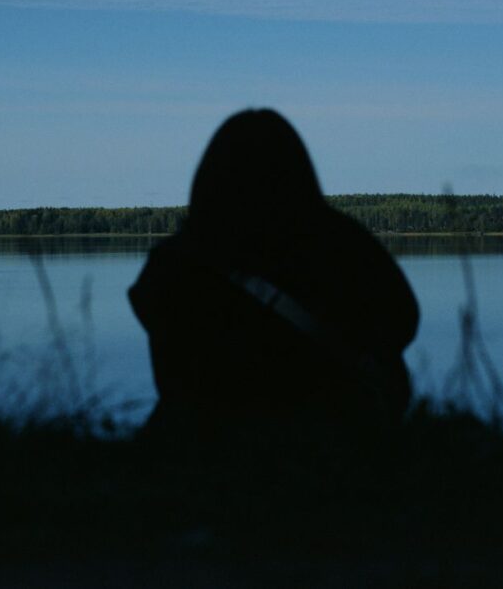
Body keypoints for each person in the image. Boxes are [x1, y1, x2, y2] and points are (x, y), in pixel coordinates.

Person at [128, 109, 419, 437]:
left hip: (206, 442)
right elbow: (402, 319)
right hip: (335, 437)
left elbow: (168, 358)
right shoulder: (342, 244)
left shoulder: (174, 263)